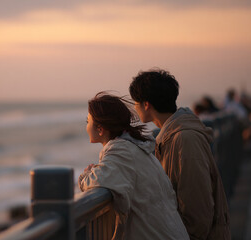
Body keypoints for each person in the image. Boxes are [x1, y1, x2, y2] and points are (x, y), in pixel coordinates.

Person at [129, 69, 231, 240]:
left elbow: (198, 214)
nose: (134, 107)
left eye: (135, 102)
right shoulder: (171, 136)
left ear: (146, 104)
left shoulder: (185, 139)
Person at [79, 92, 189, 240]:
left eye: (88, 121)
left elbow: (97, 180)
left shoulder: (121, 150)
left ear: (100, 129)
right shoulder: (134, 148)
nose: (86, 127)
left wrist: (85, 175)